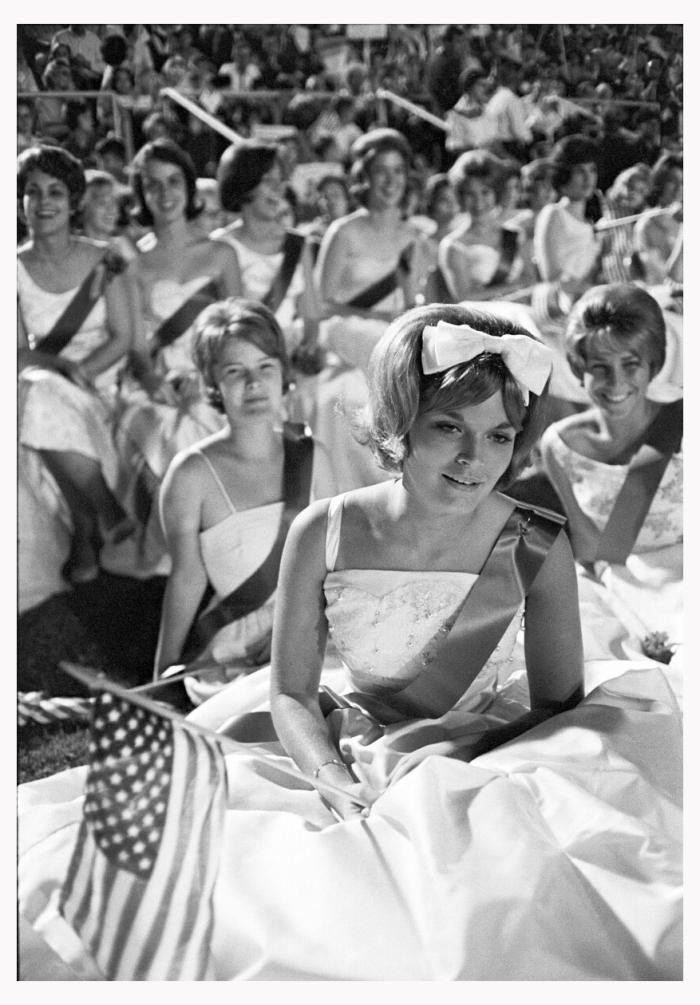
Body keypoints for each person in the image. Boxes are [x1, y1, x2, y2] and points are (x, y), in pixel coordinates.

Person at [154, 298, 335, 706]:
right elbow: (186, 579)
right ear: (212, 385)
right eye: (235, 372)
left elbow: (337, 563)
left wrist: (301, 629)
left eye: (265, 368)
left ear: (283, 374)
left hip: (314, 632)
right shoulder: (191, 474)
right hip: (236, 651)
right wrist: (163, 678)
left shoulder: (313, 457)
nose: (253, 384)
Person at [110, 138, 243, 577]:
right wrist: (153, 381)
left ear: (188, 187)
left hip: (216, 372)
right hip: (159, 378)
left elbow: (239, 329)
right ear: (141, 195)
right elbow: (136, 347)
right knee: (169, 429)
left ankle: (225, 548)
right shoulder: (136, 265)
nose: (165, 194)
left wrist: (212, 377)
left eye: (173, 182)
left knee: (212, 417)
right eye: (152, 186)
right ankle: (185, 558)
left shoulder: (221, 253)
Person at [540, 283, 682, 671]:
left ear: (653, 363)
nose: (616, 384)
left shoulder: (686, 422)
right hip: (625, 588)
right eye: (599, 368)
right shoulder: (560, 445)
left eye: (630, 364)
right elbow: (591, 550)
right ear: (578, 369)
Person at [17, 146, 136, 602]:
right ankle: (99, 512)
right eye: (32, 192)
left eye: (55, 192)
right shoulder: (12, 268)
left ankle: (88, 526)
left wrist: (81, 372)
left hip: (104, 384)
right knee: (36, 392)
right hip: (46, 380)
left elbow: (123, 337)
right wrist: (62, 369)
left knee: (36, 397)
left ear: (73, 202)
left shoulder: (105, 258)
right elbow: (16, 355)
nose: (43, 202)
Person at [311, 128, 432, 492]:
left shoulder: (413, 236)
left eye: (398, 171)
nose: (391, 181)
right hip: (344, 330)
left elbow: (412, 303)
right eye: (381, 171)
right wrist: (382, 320)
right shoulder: (343, 231)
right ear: (364, 176)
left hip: (391, 334)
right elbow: (321, 303)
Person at [212, 140, 320, 357]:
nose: (278, 189)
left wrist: (308, 349)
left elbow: (311, 316)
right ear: (243, 184)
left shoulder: (298, 245)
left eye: (281, 180)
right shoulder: (221, 246)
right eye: (267, 180)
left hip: (291, 357)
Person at [439, 150, 535, 303]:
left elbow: (531, 281)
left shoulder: (516, 235)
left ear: (496, 192)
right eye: (470, 194)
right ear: (461, 196)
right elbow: (464, 298)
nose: (478, 202)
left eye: (485, 192)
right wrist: (513, 289)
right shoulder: (453, 246)